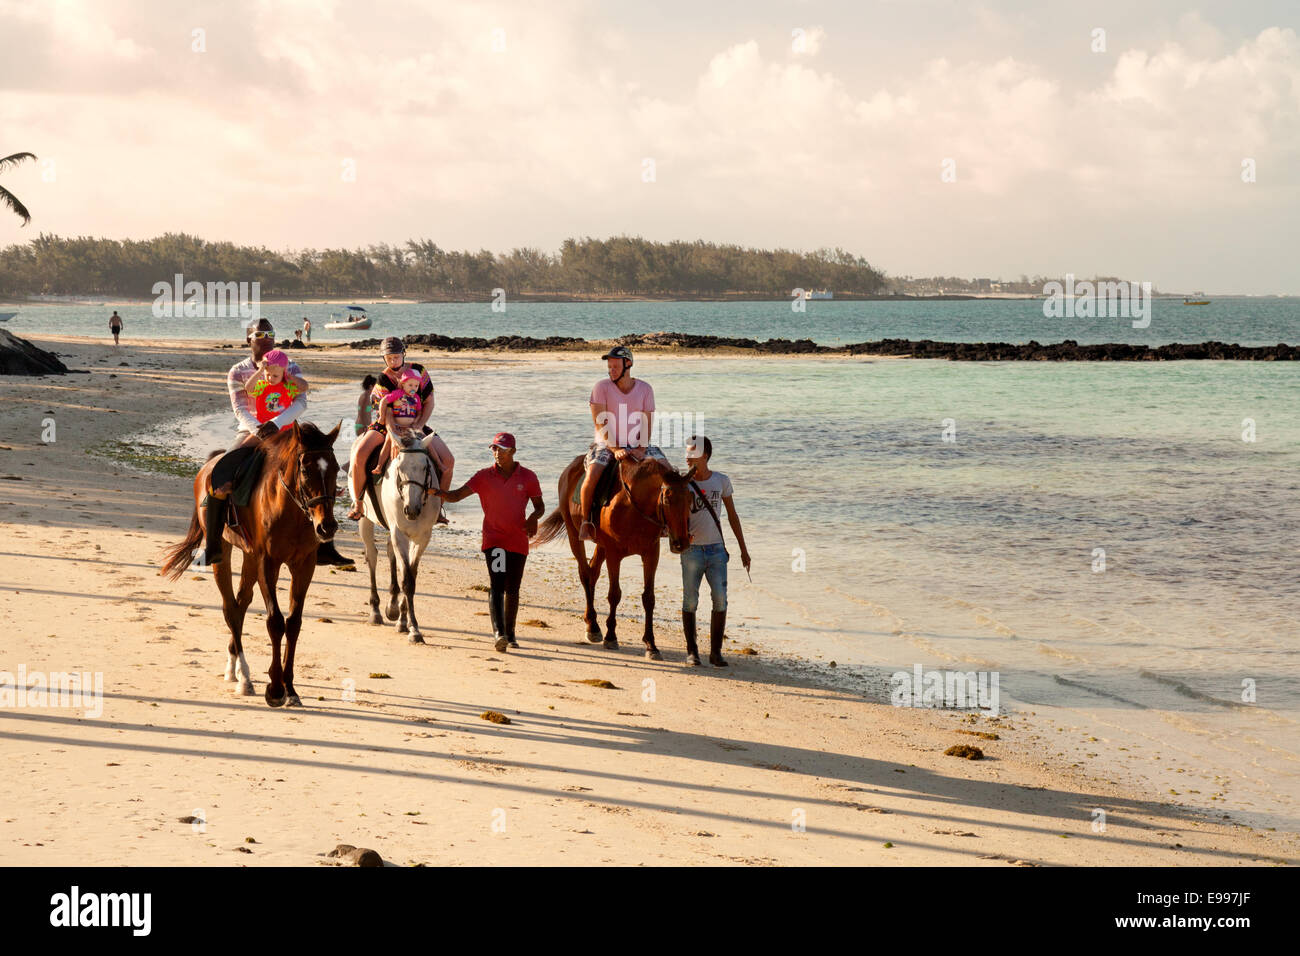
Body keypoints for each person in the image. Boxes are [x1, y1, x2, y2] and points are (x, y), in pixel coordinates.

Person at [199, 318, 350, 567]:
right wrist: (258, 429)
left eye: (270, 333)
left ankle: (325, 546)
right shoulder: (238, 371)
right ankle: (213, 545)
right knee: (222, 471)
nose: (267, 338)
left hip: (288, 430)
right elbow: (239, 408)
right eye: (260, 334)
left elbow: (301, 402)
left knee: (319, 470)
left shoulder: (290, 365)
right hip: (251, 431)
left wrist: (277, 424)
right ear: (249, 339)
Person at [434, 433, 544, 653]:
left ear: (512, 451)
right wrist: (436, 492)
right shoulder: (483, 477)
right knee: (497, 584)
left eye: (501, 450)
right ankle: (499, 634)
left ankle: (511, 634)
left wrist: (533, 518)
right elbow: (456, 496)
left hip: (518, 540)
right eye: (494, 449)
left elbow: (539, 506)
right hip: (494, 540)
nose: (497, 453)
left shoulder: (528, 477)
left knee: (513, 588)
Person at [346, 337, 454, 522]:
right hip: (387, 424)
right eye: (389, 358)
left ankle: (438, 508)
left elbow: (429, 402)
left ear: (403, 354)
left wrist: (419, 425)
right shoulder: (383, 378)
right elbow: (384, 408)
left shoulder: (419, 371)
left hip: (415, 422)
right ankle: (358, 503)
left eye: (396, 356)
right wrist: (391, 430)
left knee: (448, 461)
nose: (393, 361)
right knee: (359, 454)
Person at [578, 345, 668, 542]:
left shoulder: (645, 389)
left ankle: (667, 522)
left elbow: (647, 421)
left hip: (639, 444)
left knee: (669, 474)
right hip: (606, 444)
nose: (611, 370)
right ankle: (586, 522)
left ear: (628, 364)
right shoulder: (601, 387)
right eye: (609, 367)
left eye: (615, 366)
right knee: (592, 475)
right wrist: (615, 448)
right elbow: (600, 421)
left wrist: (642, 448)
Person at [680, 435, 751, 667]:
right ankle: (692, 652)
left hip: (717, 550)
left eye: (693, 453)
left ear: (705, 455)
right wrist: (681, 537)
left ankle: (716, 653)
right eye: (687, 453)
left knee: (720, 600)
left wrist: (743, 549)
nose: (688, 457)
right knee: (690, 600)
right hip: (692, 551)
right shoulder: (682, 483)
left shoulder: (721, 481)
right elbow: (673, 518)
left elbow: (732, 516)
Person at [370, 368, 426, 476]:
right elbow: (384, 401)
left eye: (416, 386)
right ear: (403, 384)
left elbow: (419, 412)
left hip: (410, 428)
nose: (413, 388)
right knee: (388, 441)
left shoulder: (417, 398)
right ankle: (379, 466)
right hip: (397, 426)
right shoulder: (397, 394)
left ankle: (434, 462)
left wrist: (417, 422)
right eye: (410, 385)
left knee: (425, 439)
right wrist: (382, 417)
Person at [243, 348, 309, 428]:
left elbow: (304, 387)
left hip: (285, 428)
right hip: (264, 427)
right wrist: (260, 371)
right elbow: (248, 388)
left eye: (275, 376)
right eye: (267, 375)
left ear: (283, 373)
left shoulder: (288, 387)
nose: (270, 378)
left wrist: (290, 376)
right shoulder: (262, 385)